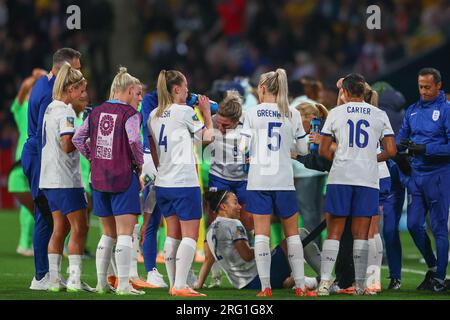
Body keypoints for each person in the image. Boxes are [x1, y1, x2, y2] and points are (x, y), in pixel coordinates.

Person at [317, 73, 397, 296]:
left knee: (334, 231)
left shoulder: (335, 112)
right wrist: (371, 159)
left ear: (345, 92)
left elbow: (323, 150)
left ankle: (324, 283)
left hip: (341, 178)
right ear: (364, 92)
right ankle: (361, 284)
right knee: (362, 233)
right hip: (367, 179)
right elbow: (391, 151)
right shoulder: (379, 114)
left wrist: (342, 159)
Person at [239, 68, 315, 298]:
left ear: (262, 89)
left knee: (261, 235)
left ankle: (265, 288)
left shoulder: (251, 113)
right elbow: (302, 150)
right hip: (284, 180)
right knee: (292, 235)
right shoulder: (292, 113)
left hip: (259, 180)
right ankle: (301, 286)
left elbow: (242, 148)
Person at [73, 67, 145, 295]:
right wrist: (139, 163)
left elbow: (78, 138)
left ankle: (101, 284)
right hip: (123, 176)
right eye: (138, 93)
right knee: (124, 233)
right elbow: (134, 141)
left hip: (99, 178)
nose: (140, 98)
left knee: (107, 233)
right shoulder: (130, 114)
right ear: (128, 90)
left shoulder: (95, 112)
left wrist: (92, 157)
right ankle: (123, 284)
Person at [148, 69, 213, 297]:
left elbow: (154, 146)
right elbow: (207, 137)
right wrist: (206, 113)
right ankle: (180, 285)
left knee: (172, 235)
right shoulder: (186, 111)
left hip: (163, 181)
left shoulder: (154, 114)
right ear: (176, 89)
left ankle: (174, 284)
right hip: (184, 181)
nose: (188, 90)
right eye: (185, 86)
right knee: (189, 236)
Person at [22, 48, 81, 290]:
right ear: (64, 68)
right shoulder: (52, 95)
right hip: (40, 155)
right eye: (76, 68)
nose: (79, 73)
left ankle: (47, 273)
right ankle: (42, 275)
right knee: (46, 214)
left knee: (49, 214)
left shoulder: (42, 84)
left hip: (36, 152)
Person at [195, 191, 320, 291]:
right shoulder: (233, 224)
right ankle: (324, 278)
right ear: (223, 206)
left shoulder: (210, 230)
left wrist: (199, 284)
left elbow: (209, 259)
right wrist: (263, 248)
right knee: (301, 234)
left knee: (284, 266)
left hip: (242, 285)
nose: (239, 207)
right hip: (257, 278)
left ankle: (293, 281)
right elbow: (247, 256)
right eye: (235, 203)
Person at [396, 68, 450, 292]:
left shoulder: (446, 110)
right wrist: (400, 148)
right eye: (421, 87)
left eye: (428, 87)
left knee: (438, 227)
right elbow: (401, 137)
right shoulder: (412, 110)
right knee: (413, 225)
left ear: (438, 86)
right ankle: (433, 265)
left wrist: (426, 148)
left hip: (439, 175)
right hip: (416, 176)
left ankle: (438, 278)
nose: (424, 91)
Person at [39, 63, 91, 292]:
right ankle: (74, 280)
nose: (83, 95)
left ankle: (53, 280)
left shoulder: (51, 108)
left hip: (49, 179)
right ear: (70, 88)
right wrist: (86, 136)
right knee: (80, 228)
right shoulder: (67, 111)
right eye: (80, 89)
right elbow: (68, 145)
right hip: (66, 180)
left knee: (60, 228)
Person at [8, 69, 47, 257]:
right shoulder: (25, 106)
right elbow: (24, 88)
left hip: (27, 158)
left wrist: (38, 77)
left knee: (32, 203)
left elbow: (25, 88)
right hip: (31, 159)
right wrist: (38, 77)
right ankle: (27, 242)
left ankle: (26, 243)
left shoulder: (27, 107)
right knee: (37, 202)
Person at [292, 102, 329, 248]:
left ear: (311, 118)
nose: (298, 128)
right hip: (319, 173)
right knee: (316, 212)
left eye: (300, 123)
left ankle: (312, 248)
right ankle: (316, 246)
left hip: (307, 174)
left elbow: (322, 159)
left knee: (308, 212)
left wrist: (297, 156)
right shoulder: (321, 128)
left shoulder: (318, 131)